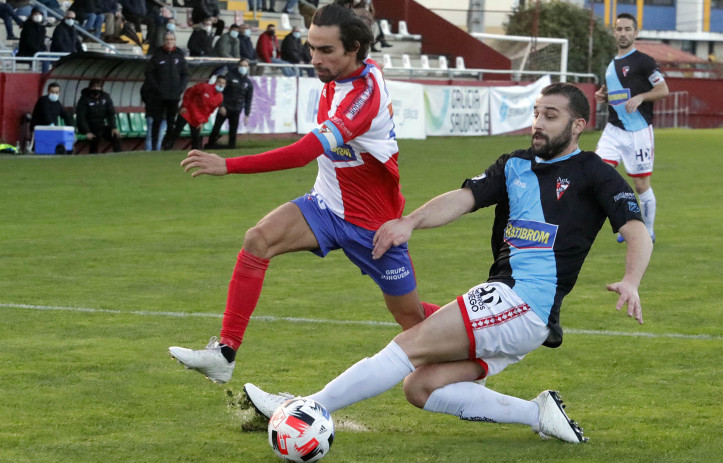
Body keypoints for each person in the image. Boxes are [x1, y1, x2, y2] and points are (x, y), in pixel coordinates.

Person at [244, 82, 654, 445]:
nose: (538, 123)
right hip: (512, 306)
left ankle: (302, 408)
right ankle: (539, 413)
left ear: (578, 125)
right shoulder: (513, 164)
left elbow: (636, 230)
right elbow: (462, 199)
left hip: (525, 301)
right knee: (421, 387)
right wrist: (410, 221)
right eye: (536, 113)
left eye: (551, 116)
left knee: (410, 345)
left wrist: (631, 280)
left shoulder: (594, 173)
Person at [169, 4, 440, 384]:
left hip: (373, 227)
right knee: (257, 239)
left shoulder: (362, 98)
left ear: (354, 49)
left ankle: (480, 327)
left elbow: (300, 154)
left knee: (410, 318)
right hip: (325, 206)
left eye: (325, 50)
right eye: (312, 47)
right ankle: (224, 354)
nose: (314, 58)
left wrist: (227, 165)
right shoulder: (343, 72)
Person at [594, 13, 668, 244]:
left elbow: (663, 90)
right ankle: (623, 224)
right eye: (619, 29)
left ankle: (648, 231)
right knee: (597, 174)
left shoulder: (644, 61)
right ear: (614, 33)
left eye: (628, 29)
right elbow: (613, 93)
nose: (623, 33)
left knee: (640, 184)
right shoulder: (611, 65)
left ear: (636, 33)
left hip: (638, 132)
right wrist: (602, 95)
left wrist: (642, 97)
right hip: (613, 131)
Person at [144, 31, 188, 150]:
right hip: (159, 95)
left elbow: (185, 74)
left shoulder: (179, 54)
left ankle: (168, 145)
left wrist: (180, 88)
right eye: (167, 39)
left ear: (174, 41)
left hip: (174, 95)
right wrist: (157, 88)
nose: (169, 42)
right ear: (164, 41)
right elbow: (149, 73)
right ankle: (154, 146)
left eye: (171, 39)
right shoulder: (157, 54)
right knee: (156, 120)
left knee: (170, 121)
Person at [165, 75, 226, 150]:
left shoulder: (220, 97)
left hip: (198, 119)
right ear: (216, 82)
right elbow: (189, 92)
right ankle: (166, 149)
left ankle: (194, 156)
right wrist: (184, 106)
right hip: (188, 112)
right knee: (176, 132)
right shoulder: (204, 87)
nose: (221, 84)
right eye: (219, 82)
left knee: (196, 138)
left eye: (223, 83)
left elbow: (209, 112)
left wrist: (203, 122)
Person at [206, 59, 252, 150]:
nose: (243, 68)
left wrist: (247, 113)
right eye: (242, 65)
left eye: (245, 66)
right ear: (238, 66)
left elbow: (248, 99)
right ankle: (210, 145)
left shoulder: (248, 83)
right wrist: (221, 105)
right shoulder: (229, 76)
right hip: (225, 107)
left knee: (233, 129)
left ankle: (232, 147)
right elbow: (221, 92)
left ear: (248, 67)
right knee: (217, 127)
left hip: (237, 109)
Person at [75, 78, 122, 154]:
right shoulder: (84, 99)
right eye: (94, 87)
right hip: (87, 126)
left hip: (100, 125)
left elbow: (111, 113)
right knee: (97, 134)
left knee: (115, 134)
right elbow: (81, 117)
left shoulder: (105, 97)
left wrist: (113, 127)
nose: (96, 89)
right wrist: (87, 131)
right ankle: (93, 154)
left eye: (98, 87)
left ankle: (119, 154)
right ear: (90, 87)